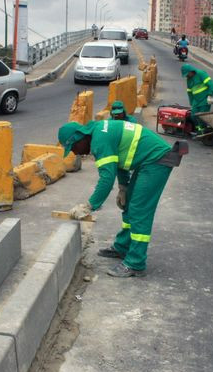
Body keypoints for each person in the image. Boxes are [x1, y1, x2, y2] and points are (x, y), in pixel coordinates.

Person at [59, 119, 182, 278]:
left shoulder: (99, 141)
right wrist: (124, 187)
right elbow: (120, 162)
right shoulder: (99, 132)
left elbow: (106, 179)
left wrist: (89, 206)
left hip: (157, 160)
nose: (75, 153)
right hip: (148, 160)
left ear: (80, 137)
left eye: (73, 147)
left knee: (139, 210)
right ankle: (123, 247)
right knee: (129, 203)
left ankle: (135, 263)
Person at [181, 63, 213, 133]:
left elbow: (210, 84)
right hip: (196, 101)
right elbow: (189, 91)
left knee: (202, 116)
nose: (186, 76)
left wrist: (210, 95)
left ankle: (204, 130)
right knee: (193, 116)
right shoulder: (189, 79)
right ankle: (198, 130)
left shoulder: (201, 74)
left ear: (191, 71)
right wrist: (191, 102)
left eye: (187, 74)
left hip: (205, 99)